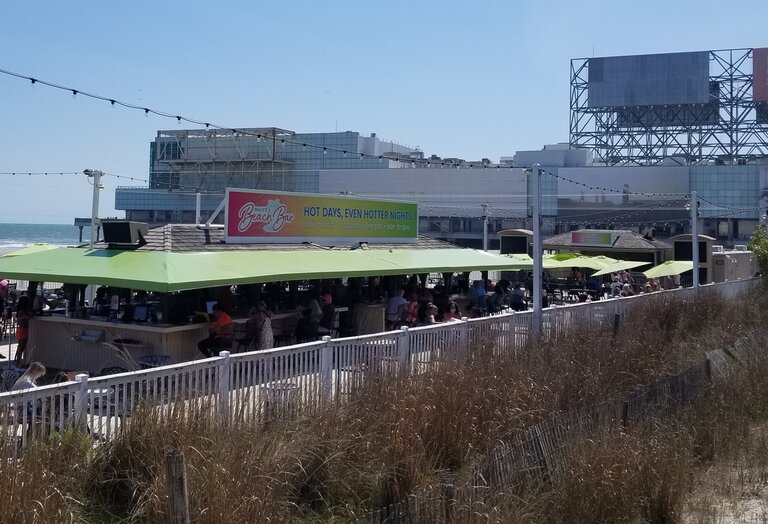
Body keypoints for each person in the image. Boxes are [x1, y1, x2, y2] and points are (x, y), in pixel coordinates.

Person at [14, 295, 32, 367]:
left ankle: (18, 362)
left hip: (22, 330)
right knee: (21, 348)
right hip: (22, 330)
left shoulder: (21, 310)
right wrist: (33, 314)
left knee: (21, 347)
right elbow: (27, 317)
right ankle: (17, 364)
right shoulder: (21, 311)